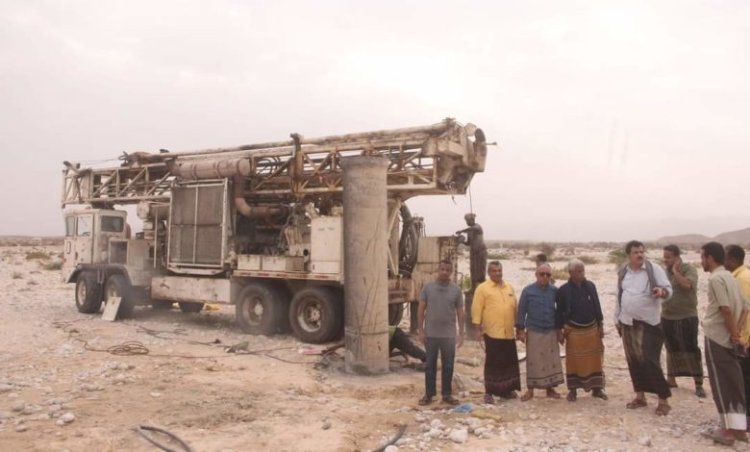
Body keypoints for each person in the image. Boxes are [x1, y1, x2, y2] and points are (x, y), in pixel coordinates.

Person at [614, 240, 673, 416]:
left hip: (649, 322)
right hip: (627, 321)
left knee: (650, 360)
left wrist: (662, 292)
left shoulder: (654, 269)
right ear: (628, 255)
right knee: (633, 360)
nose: (640, 255)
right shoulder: (624, 271)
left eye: (642, 251)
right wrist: (616, 317)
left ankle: (663, 400)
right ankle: (640, 396)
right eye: (635, 252)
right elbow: (620, 294)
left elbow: (668, 290)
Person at [700, 242, 748, 445]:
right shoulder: (731, 276)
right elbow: (745, 308)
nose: (701, 261)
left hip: (717, 337)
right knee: (734, 382)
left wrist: (733, 333)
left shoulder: (717, 278)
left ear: (710, 258)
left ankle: (726, 431)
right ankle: (739, 430)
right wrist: (736, 333)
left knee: (720, 384)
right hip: (728, 337)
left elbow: (725, 309)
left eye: (702, 257)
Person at [556, 259, 607, 402]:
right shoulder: (563, 290)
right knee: (573, 363)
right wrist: (559, 331)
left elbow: (597, 305)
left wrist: (601, 325)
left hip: (592, 329)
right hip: (573, 331)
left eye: (582, 270)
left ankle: (597, 389)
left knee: (595, 361)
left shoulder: (590, 286)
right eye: (578, 271)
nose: (581, 274)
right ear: (570, 273)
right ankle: (573, 391)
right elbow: (559, 312)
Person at [472, 261, 521, 404]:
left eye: (499, 270)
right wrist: (477, 328)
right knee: (493, 363)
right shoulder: (483, 289)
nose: (497, 273)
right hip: (492, 332)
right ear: (489, 273)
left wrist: (518, 328)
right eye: (494, 271)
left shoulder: (509, 287)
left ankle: (506, 390)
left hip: (508, 333)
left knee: (508, 362)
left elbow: (515, 308)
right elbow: (476, 309)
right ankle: (489, 392)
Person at [417, 260, 464, 406]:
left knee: (448, 365)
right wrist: (421, 330)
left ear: (451, 272)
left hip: (449, 335)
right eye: (442, 269)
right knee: (430, 365)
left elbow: (460, 312)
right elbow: (421, 310)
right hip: (431, 334)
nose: (444, 272)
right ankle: (429, 395)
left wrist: (461, 333)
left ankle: (447, 394)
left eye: (447, 270)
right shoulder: (428, 288)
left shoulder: (456, 290)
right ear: (438, 270)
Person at [661, 244, 706, 398]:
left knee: (691, 349)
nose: (665, 260)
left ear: (677, 257)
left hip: (687, 316)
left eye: (668, 257)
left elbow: (687, 285)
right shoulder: (663, 272)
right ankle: (671, 379)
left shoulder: (689, 269)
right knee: (671, 348)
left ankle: (698, 383)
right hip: (667, 316)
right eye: (664, 257)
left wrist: (675, 271)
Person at [516, 263, 563, 401]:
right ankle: (530, 390)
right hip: (534, 331)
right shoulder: (528, 291)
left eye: (548, 274)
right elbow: (521, 311)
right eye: (542, 274)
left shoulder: (554, 291)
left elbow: (559, 311)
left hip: (550, 330)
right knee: (533, 361)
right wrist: (520, 330)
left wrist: (559, 330)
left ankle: (550, 389)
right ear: (536, 275)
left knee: (550, 360)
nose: (545, 277)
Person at [726, 244, 750, 433]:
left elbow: (744, 309)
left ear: (732, 260)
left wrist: (739, 336)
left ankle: (745, 420)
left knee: (744, 379)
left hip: (744, 338)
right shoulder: (739, 276)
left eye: (725, 257)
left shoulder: (742, 279)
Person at [456, 213, 487, 292]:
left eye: (467, 220)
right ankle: (473, 288)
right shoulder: (470, 231)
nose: (467, 222)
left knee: (481, 271)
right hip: (473, 252)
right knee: (473, 270)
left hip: (480, 252)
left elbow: (473, 229)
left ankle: (482, 288)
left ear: (472, 220)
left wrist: (461, 231)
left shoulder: (477, 227)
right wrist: (462, 241)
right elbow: (468, 243)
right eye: (466, 221)